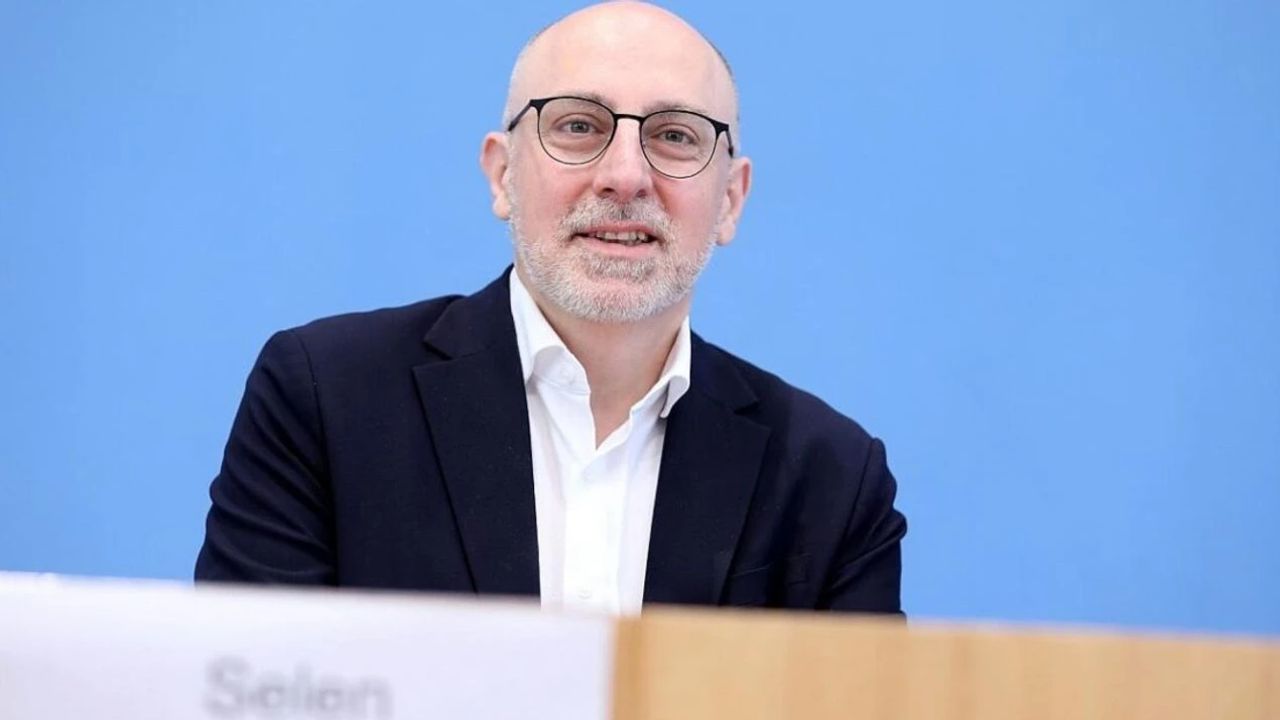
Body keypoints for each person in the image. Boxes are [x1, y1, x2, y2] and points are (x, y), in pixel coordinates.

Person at [196, 1, 907, 616]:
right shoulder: (325, 399)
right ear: (502, 174)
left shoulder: (832, 480)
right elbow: (244, 690)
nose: (625, 176)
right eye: (578, 126)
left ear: (730, 199)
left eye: (674, 135)